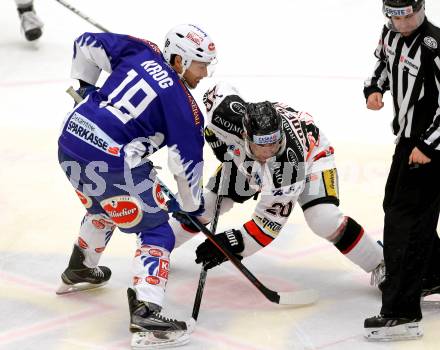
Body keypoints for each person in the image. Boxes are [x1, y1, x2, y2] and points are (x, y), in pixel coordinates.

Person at [57, 24, 216, 346]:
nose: (206, 74)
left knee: (106, 206)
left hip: (71, 141)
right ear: (179, 60)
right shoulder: (186, 108)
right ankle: (146, 311)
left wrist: (87, 88)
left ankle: (81, 269)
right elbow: (185, 166)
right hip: (114, 161)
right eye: (201, 65)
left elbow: (86, 43)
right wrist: (192, 208)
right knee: (156, 230)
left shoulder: (141, 50)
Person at [169, 82, 385, 288]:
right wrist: (216, 141)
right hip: (246, 158)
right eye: (262, 144)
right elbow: (213, 99)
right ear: (245, 134)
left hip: (311, 159)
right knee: (204, 205)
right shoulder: (225, 113)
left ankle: (381, 263)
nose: (269, 151)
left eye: (274, 142)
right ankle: (161, 246)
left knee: (324, 219)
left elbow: (267, 226)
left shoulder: (289, 164)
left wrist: (231, 245)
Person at [362, 0, 440, 341]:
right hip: (407, 143)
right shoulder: (389, 35)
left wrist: (429, 145)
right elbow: (383, 64)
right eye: (395, 16)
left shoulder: (435, 45)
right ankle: (433, 274)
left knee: (404, 224)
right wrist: (376, 88)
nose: (403, 22)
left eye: (408, 15)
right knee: (396, 211)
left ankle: (402, 312)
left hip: (430, 148)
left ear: (421, 9)